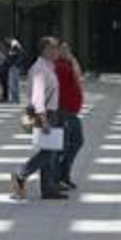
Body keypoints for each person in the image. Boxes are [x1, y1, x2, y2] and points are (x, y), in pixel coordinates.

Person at [9, 37, 67, 201]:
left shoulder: (48, 66)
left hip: (51, 113)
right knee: (48, 152)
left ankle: (48, 189)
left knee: (50, 151)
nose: (57, 51)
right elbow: (38, 97)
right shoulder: (40, 69)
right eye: (54, 48)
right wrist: (44, 119)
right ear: (45, 50)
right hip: (45, 114)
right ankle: (21, 173)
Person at [53, 40, 86, 191]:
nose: (67, 51)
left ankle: (63, 174)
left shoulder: (67, 64)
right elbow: (78, 78)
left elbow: (78, 78)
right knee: (64, 146)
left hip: (72, 112)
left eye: (68, 48)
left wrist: (72, 61)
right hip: (63, 111)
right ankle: (59, 176)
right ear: (57, 51)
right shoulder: (59, 66)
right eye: (63, 49)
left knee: (77, 141)